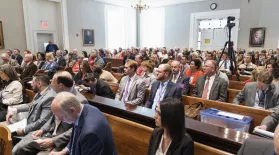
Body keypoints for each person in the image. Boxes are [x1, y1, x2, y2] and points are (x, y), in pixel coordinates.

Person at [49, 92, 117, 155]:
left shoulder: (90, 133)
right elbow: (76, 136)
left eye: (61, 117)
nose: (60, 120)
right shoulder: (82, 110)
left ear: (72, 110)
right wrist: (62, 152)